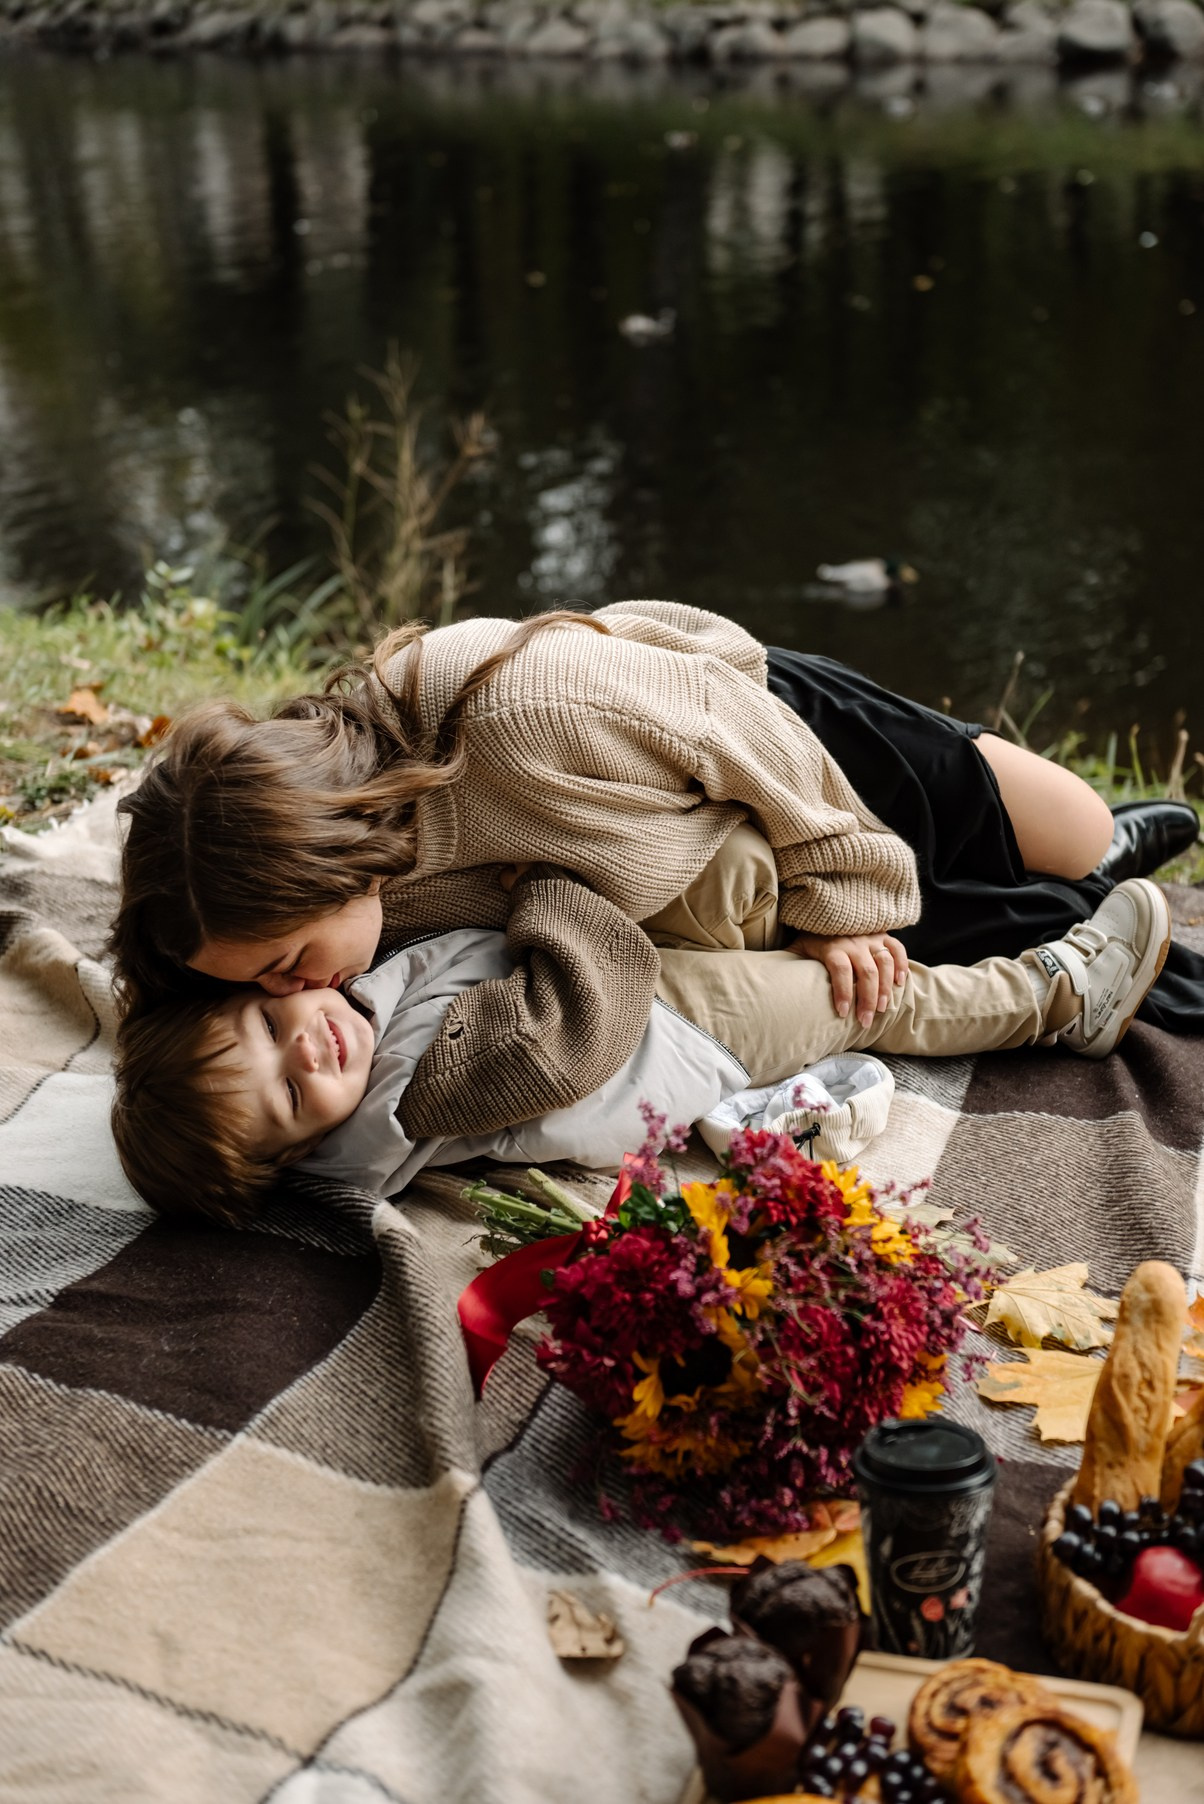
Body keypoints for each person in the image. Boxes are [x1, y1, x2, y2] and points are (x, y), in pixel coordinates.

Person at [108, 603, 1201, 1150]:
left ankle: (1093, 841)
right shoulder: (292, 923)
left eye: (290, 963)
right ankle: (1078, 889)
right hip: (703, 859)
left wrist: (849, 900)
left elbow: (741, 732)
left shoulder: (515, 714)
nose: (293, 994)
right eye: (260, 987)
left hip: (791, 752)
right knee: (1060, 934)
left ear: (334, 860)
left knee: (1067, 831)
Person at [110, 867, 1171, 1225]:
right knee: (860, 994)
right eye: (293, 1099)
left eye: (262, 1024)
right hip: (664, 1030)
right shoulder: (424, 1088)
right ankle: (1052, 994)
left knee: (757, 892)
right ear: (303, 1156)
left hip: (640, 985)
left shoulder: (357, 1031)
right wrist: (549, 885)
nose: (308, 1050)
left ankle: (994, 893)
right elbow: (568, 1015)